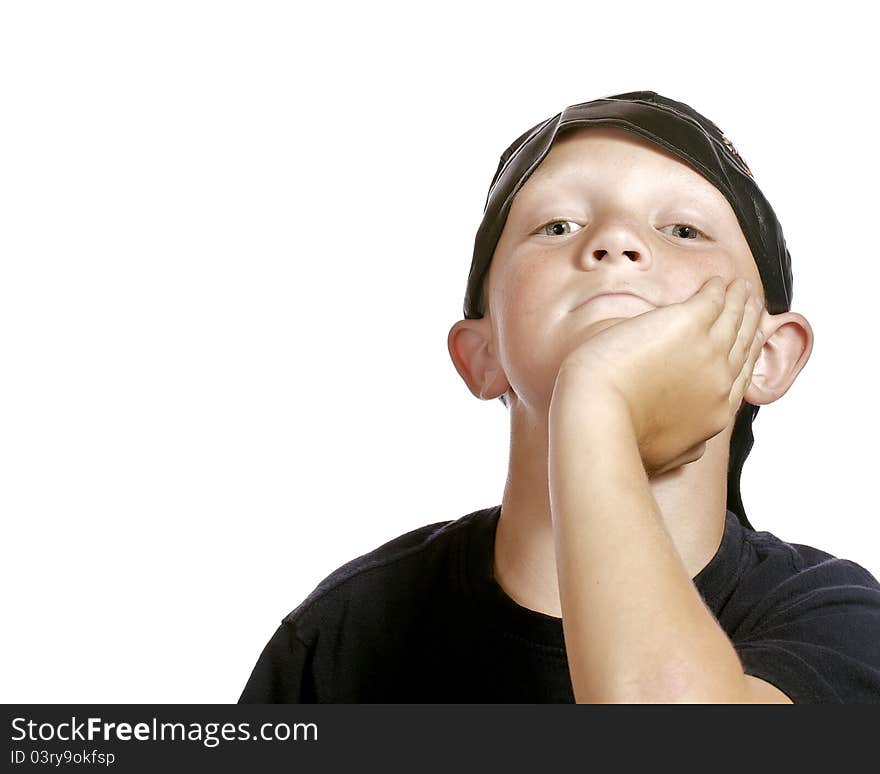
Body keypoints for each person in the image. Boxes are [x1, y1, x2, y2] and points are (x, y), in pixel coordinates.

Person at [238, 91, 880, 703]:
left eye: (683, 230)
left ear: (768, 356)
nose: (616, 244)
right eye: (557, 224)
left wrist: (597, 404)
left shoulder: (837, 619)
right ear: (482, 355)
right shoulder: (343, 638)